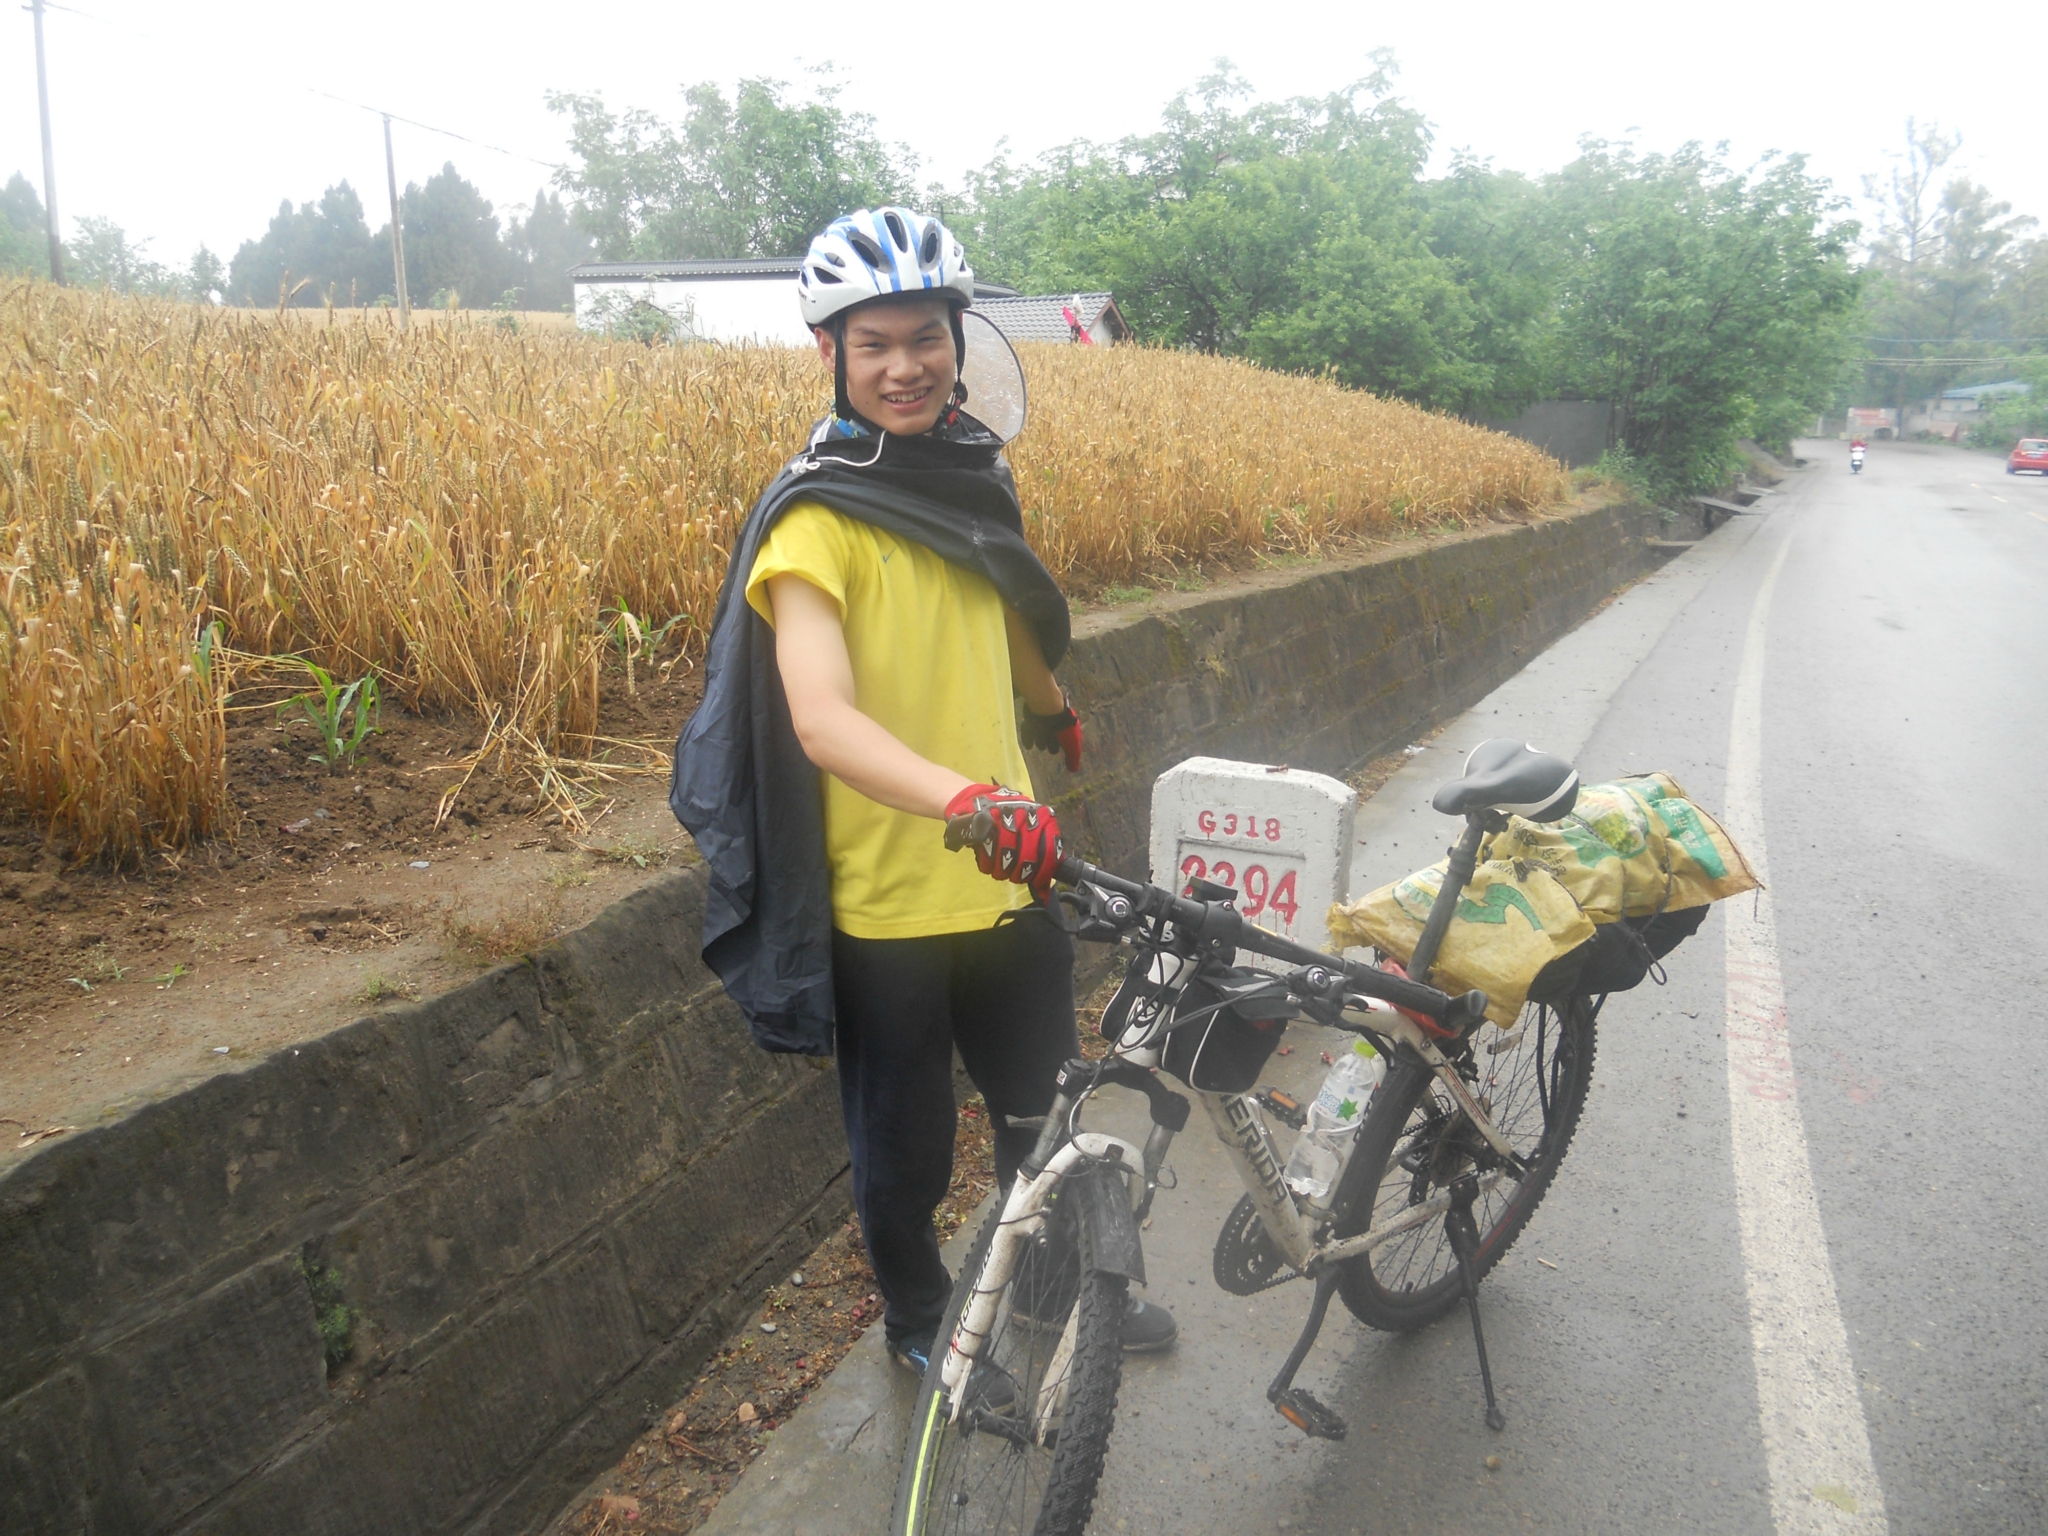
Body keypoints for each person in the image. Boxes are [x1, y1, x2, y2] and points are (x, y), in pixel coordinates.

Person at [671, 207, 1176, 1375]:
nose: (902, 367)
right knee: (902, 1152)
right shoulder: (814, 521)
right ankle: (916, 1323)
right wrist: (962, 800)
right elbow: (823, 720)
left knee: (1037, 1123)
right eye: (872, 345)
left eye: (923, 339)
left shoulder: (963, 482)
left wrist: (1051, 707)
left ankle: (1054, 1293)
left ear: (960, 338)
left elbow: (1001, 613)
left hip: (1009, 876)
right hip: (888, 901)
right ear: (831, 358)